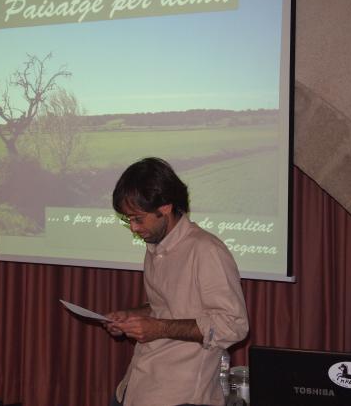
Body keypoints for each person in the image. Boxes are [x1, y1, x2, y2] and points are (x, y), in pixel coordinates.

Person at [104, 157, 249, 406]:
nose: (133, 228)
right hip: (137, 385)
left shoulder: (206, 250)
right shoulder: (155, 244)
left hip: (179, 395)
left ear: (166, 207)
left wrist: (157, 328)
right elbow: (166, 307)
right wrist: (130, 316)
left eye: (138, 218)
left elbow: (233, 325)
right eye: (128, 220)